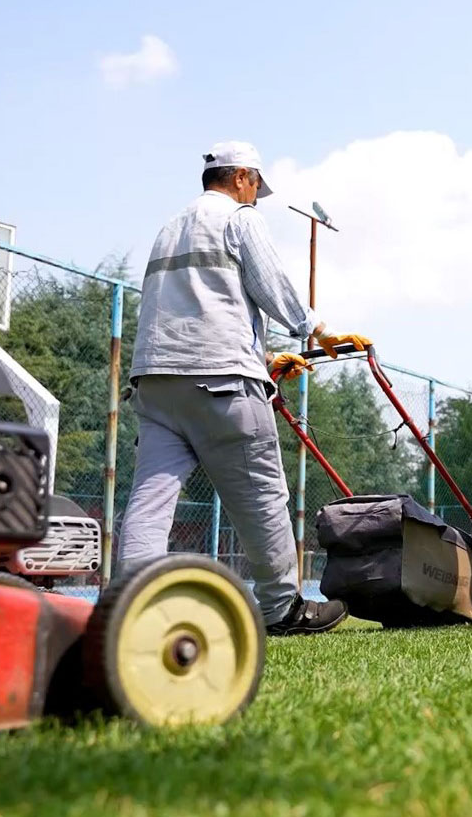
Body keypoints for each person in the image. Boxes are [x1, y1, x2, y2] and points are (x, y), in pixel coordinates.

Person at [119, 141, 366, 636]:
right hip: (222, 383)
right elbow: (271, 283)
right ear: (242, 179)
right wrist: (317, 330)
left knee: (149, 503)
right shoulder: (239, 218)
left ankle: (128, 606)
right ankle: (281, 608)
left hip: (157, 383)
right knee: (262, 498)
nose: (256, 196)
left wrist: (266, 359)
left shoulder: (168, 228)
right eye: (256, 186)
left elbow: (195, 308)